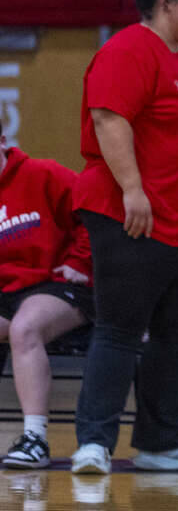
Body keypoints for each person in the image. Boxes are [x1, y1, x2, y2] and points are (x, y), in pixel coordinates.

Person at [71, 0, 178, 477]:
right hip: (130, 215)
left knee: (172, 337)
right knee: (118, 330)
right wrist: (132, 189)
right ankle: (93, 443)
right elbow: (109, 118)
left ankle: (162, 441)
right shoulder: (130, 49)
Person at [0, 122, 93, 469]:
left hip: (59, 283)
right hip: (6, 292)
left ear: (3, 140)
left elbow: (94, 213)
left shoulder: (44, 174)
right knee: (17, 321)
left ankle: (34, 438)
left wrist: (79, 260)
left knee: (24, 327)